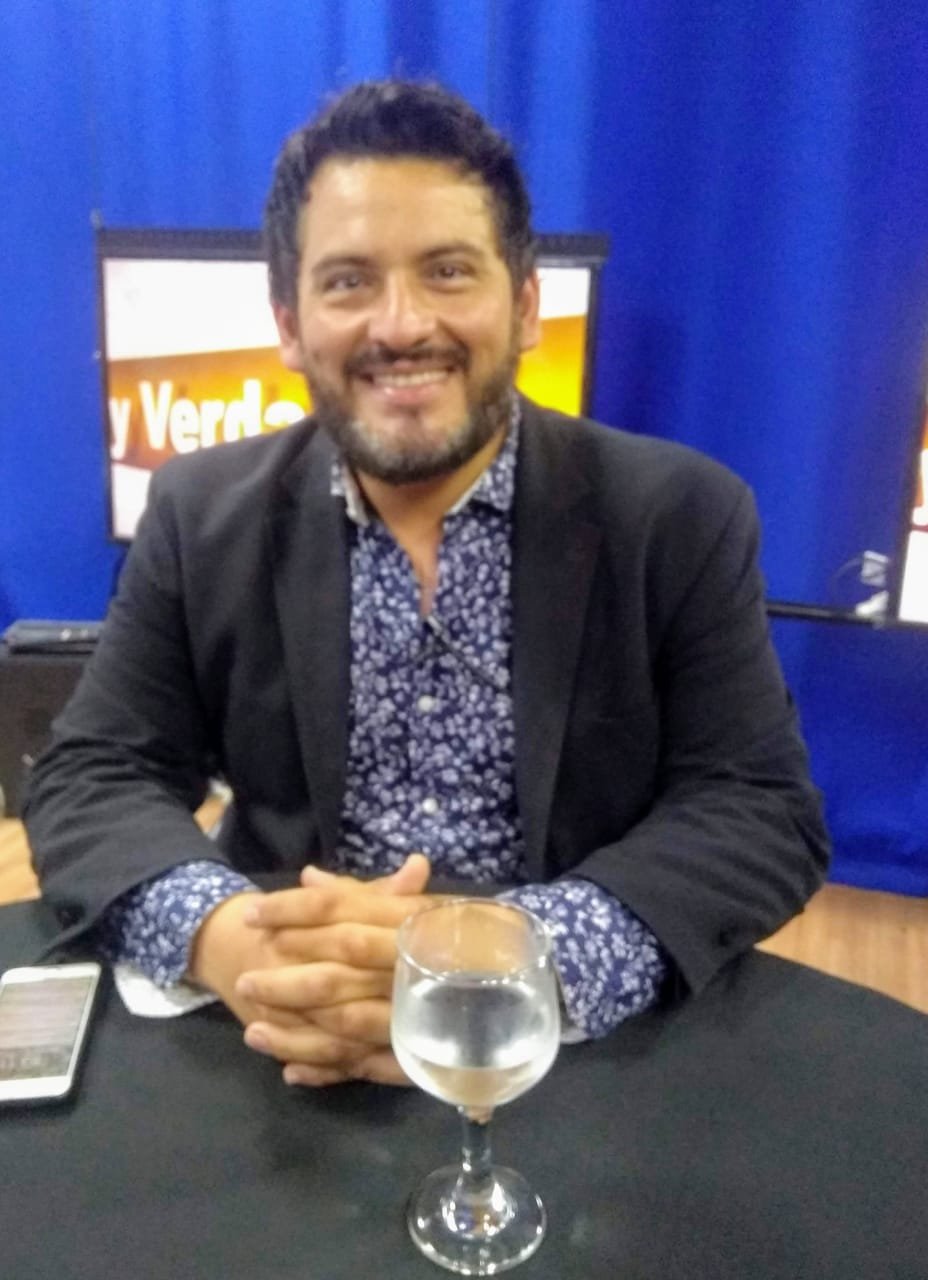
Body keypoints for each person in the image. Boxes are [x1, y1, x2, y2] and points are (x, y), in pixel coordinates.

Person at [25, 79, 829, 1088]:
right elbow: (93, 772)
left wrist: (516, 956)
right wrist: (238, 943)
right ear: (289, 323)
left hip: (566, 1050)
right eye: (348, 281)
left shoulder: (679, 516)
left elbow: (756, 805)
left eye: (448, 271)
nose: (401, 325)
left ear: (524, 305)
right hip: (282, 1036)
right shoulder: (198, 513)